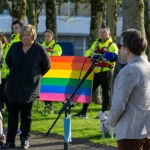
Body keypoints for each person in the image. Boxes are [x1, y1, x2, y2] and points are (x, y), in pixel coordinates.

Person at [1, 24, 50, 149]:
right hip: (13, 86)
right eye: (23, 35)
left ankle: (24, 139)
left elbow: (46, 66)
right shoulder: (15, 46)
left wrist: (35, 75)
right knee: (12, 115)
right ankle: (10, 141)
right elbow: (8, 61)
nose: (25, 37)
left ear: (33, 35)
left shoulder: (39, 49)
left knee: (26, 115)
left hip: (29, 87)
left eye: (28, 35)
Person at [108, 28, 150, 150]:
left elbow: (119, 104)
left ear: (127, 48)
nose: (119, 49)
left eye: (120, 45)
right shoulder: (148, 67)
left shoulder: (128, 71)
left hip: (130, 132)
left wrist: (110, 122)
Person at [73, 25, 118, 118]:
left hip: (106, 72)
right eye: (100, 32)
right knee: (88, 91)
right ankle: (83, 112)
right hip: (95, 71)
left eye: (104, 32)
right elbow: (87, 53)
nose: (102, 34)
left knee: (106, 93)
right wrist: (96, 55)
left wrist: (98, 56)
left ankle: (104, 114)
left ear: (109, 33)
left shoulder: (112, 45)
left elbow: (114, 57)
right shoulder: (96, 43)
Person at [42, 30, 62, 113]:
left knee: (51, 89)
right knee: (43, 89)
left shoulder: (56, 46)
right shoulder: (41, 46)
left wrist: (46, 55)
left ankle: (51, 107)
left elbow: (57, 55)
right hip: (43, 70)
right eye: (45, 36)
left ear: (52, 37)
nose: (46, 37)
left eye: (48, 36)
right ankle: (47, 106)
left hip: (53, 71)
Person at [0, 34, 10, 111]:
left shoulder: (7, 47)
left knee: (6, 93)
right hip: (1, 73)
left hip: (6, 74)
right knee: (1, 92)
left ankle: (8, 108)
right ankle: (2, 107)